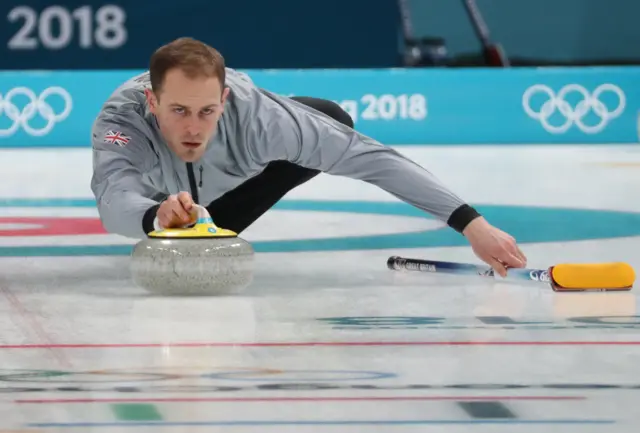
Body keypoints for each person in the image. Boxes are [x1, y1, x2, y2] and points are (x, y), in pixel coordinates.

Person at [90, 37, 526, 277]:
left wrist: (471, 222)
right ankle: (184, 219)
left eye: (206, 111)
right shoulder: (123, 120)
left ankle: (216, 224)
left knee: (333, 118)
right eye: (178, 111)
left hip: (232, 183)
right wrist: (156, 217)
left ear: (224, 100)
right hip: (159, 206)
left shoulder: (257, 117)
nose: (192, 128)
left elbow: (370, 158)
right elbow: (114, 200)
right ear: (151, 101)